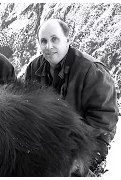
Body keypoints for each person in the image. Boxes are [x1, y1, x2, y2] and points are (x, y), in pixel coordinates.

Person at [25, 18, 119, 177]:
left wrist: (65, 141)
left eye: (54, 39)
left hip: (89, 143)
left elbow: (104, 122)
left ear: (67, 40)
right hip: (48, 141)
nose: (48, 46)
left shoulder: (92, 72)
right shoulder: (33, 68)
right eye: (43, 41)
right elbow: (28, 110)